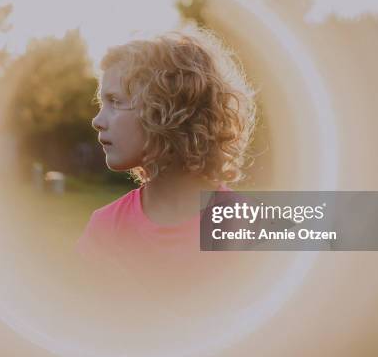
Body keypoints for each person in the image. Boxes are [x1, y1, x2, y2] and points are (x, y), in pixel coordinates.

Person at [76, 26, 257, 289]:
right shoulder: (105, 229)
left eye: (115, 101)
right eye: (101, 103)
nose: (97, 121)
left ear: (170, 110)